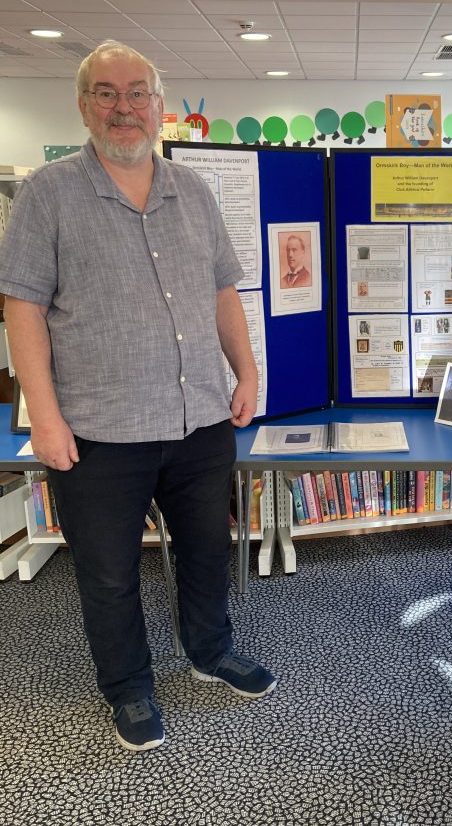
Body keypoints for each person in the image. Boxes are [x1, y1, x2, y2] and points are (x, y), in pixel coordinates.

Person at [0, 40, 277, 753]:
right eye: (106, 92)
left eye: (137, 93)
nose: (123, 107)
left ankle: (211, 652)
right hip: (97, 431)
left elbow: (223, 291)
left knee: (208, 552)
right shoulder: (49, 193)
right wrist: (45, 419)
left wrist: (246, 373)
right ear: (83, 105)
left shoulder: (194, 193)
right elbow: (22, 308)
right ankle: (127, 687)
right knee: (109, 574)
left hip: (200, 420)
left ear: (160, 106)